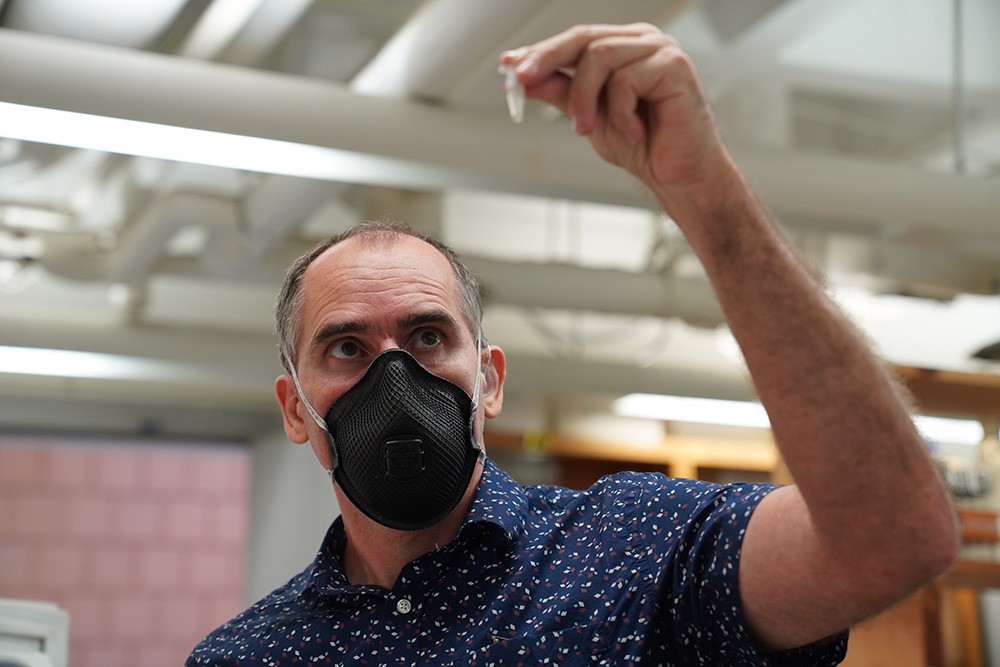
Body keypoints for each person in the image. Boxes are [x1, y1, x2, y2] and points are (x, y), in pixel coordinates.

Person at [187, 23, 958, 665]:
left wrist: (703, 190)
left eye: (427, 336)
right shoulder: (250, 654)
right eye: (347, 349)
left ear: (488, 379)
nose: (396, 376)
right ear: (295, 407)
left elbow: (893, 537)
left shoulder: (637, 550)